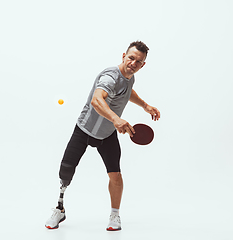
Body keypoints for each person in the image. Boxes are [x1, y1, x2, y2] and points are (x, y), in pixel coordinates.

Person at [45, 41, 160, 231]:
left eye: (138, 61)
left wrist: (145, 106)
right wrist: (116, 119)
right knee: (66, 171)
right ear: (124, 56)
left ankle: (115, 215)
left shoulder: (129, 78)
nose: (133, 63)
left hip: (107, 135)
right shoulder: (110, 77)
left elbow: (127, 92)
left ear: (143, 65)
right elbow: (97, 100)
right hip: (84, 130)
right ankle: (59, 209)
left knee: (115, 174)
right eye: (131, 58)